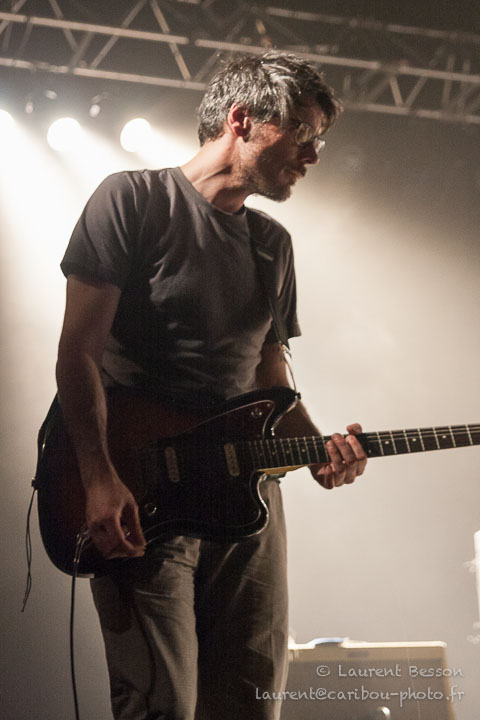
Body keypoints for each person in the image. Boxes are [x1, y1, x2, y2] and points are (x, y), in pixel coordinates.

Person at [56, 51, 368, 720]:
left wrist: (320, 450)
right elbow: (77, 353)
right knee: (162, 704)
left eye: (318, 139)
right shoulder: (131, 199)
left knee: (251, 701)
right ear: (242, 119)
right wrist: (97, 478)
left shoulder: (272, 245)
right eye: (303, 133)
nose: (313, 154)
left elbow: (270, 377)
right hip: (145, 490)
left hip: (247, 500)